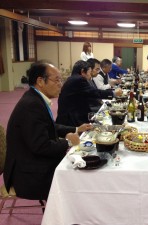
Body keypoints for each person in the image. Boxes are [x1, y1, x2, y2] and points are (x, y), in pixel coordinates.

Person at [3, 61, 92, 200]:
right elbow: (41, 146)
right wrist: (68, 142)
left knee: (82, 162)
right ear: (40, 81)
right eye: (57, 80)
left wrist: (76, 129)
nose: (60, 84)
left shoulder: (35, 98)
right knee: (80, 175)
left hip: (30, 162)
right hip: (27, 175)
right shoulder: (31, 105)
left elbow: (50, 125)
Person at [56, 60, 122, 127]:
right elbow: (94, 92)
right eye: (89, 72)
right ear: (82, 72)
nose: (90, 74)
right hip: (71, 120)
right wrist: (113, 93)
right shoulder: (79, 80)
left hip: (74, 114)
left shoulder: (73, 78)